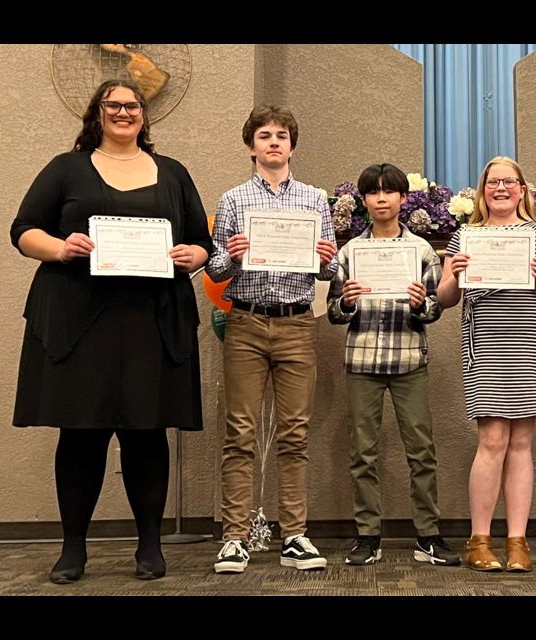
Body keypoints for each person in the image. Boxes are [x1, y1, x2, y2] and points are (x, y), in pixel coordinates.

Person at [10, 79, 211, 585]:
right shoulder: (66, 167)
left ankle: (149, 546)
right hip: (80, 320)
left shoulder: (173, 172)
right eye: (114, 105)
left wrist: (195, 257)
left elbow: (199, 242)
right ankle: (72, 549)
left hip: (153, 321)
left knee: (147, 432)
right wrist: (60, 248)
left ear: (145, 115)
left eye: (133, 105)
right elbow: (24, 230)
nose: (124, 112)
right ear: (97, 113)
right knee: (81, 434)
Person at [207, 106, 338, 575]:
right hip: (245, 322)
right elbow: (216, 270)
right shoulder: (233, 199)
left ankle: (295, 535)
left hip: (298, 324)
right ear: (251, 146)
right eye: (264, 135)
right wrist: (233, 255)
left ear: (292, 144)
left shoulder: (314, 199)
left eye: (282, 135)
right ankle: (235, 538)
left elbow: (331, 271)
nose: (274, 142)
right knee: (240, 432)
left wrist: (326, 259)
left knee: (294, 434)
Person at [438, 157, 536, 573]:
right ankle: (479, 540)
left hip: (529, 346)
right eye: (493, 182)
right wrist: (454, 276)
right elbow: (444, 299)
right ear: (483, 189)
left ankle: (518, 541)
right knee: (492, 441)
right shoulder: (464, 236)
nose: (501, 188)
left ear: (522, 189)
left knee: (520, 444)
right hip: (488, 349)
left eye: (509, 182)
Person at [327, 164, 459, 567]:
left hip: (408, 359)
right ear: (363, 201)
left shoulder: (420, 250)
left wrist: (423, 304)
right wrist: (347, 301)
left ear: (404, 199)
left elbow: (436, 308)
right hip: (362, 359)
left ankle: (428, 535)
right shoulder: (349, 251)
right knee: (362, 453)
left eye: (390, 192)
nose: (382, 199)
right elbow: (333, 311)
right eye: (374, 192)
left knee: (421, 451)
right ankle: (368, 535)